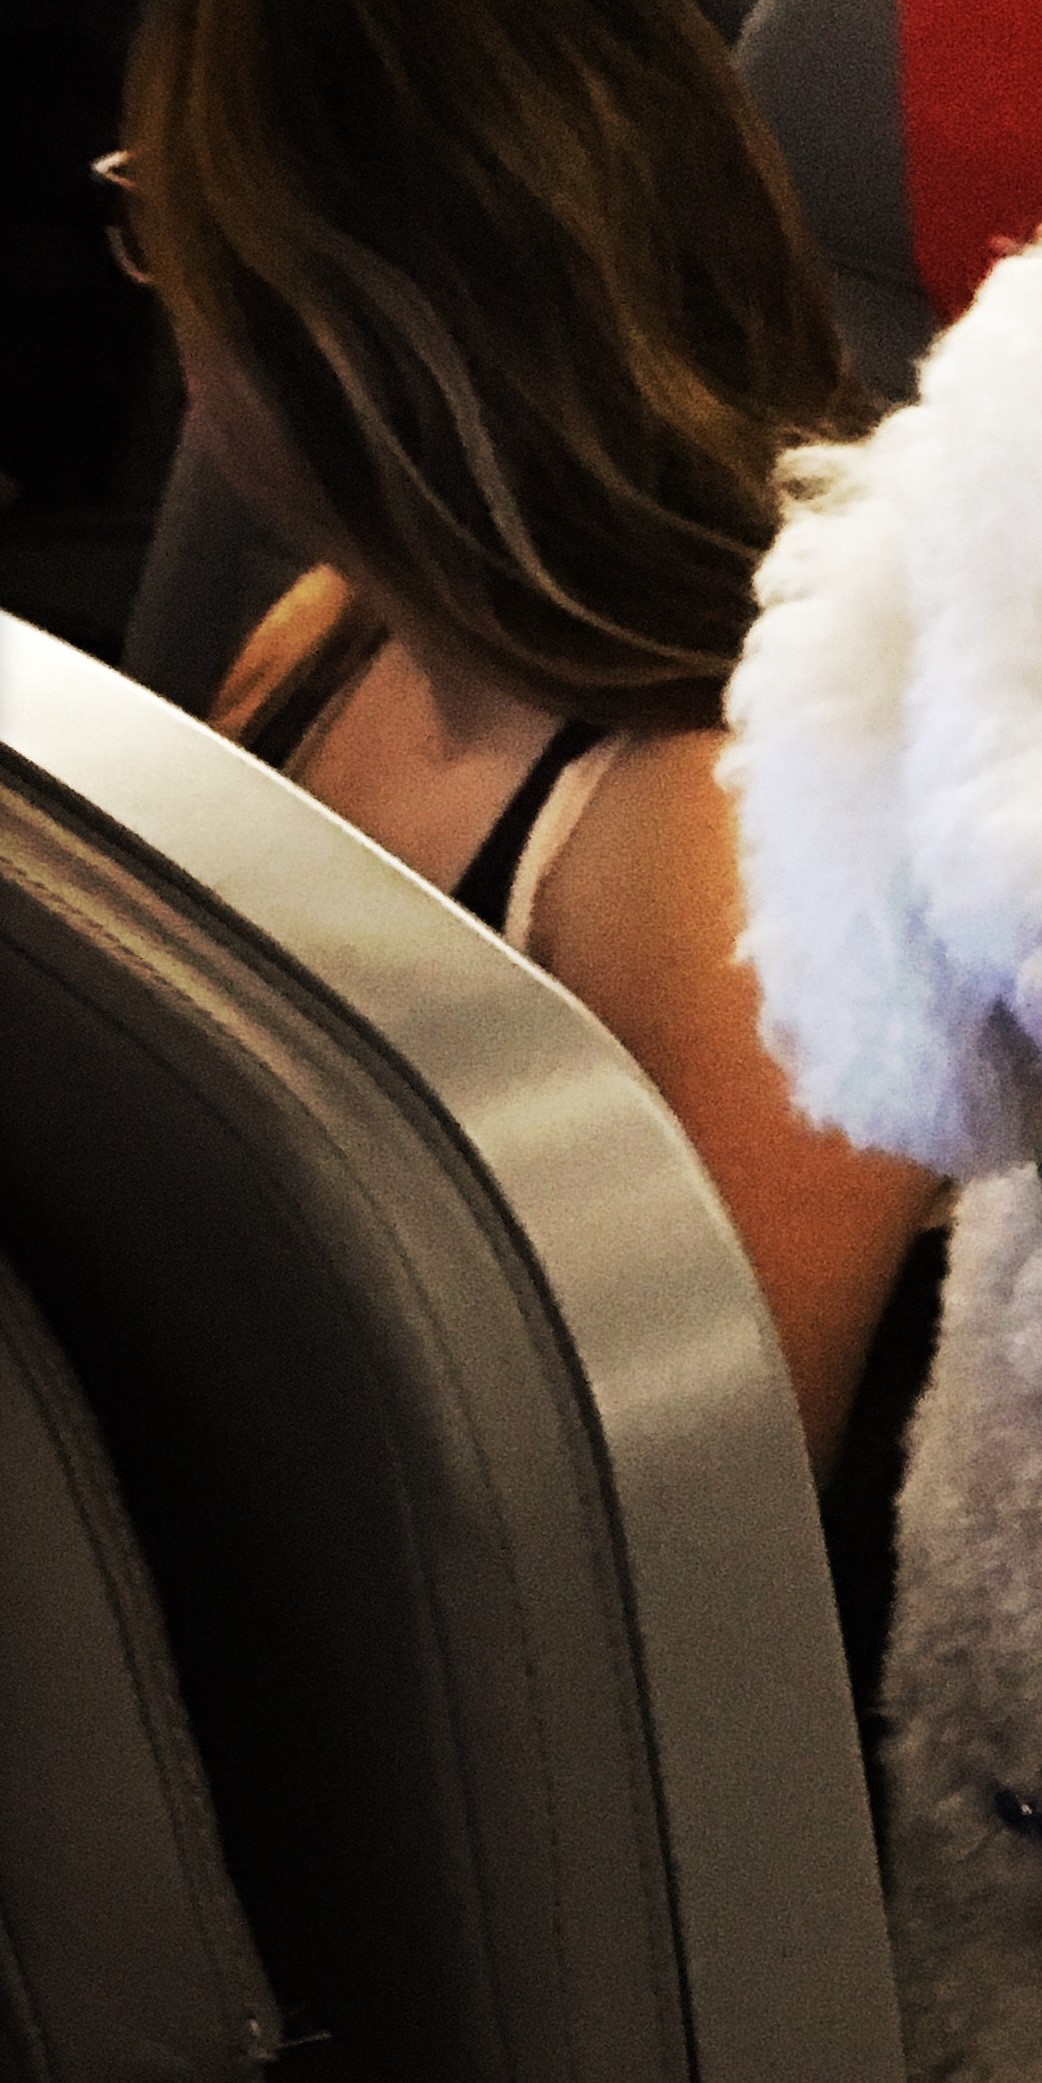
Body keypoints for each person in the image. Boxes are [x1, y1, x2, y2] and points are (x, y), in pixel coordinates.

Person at [113, 0, 948, 1488]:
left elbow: (687, 1520)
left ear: (352, 332)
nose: (165, 298)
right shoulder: (335, 630)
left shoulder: (741, 833)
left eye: (169, 232)